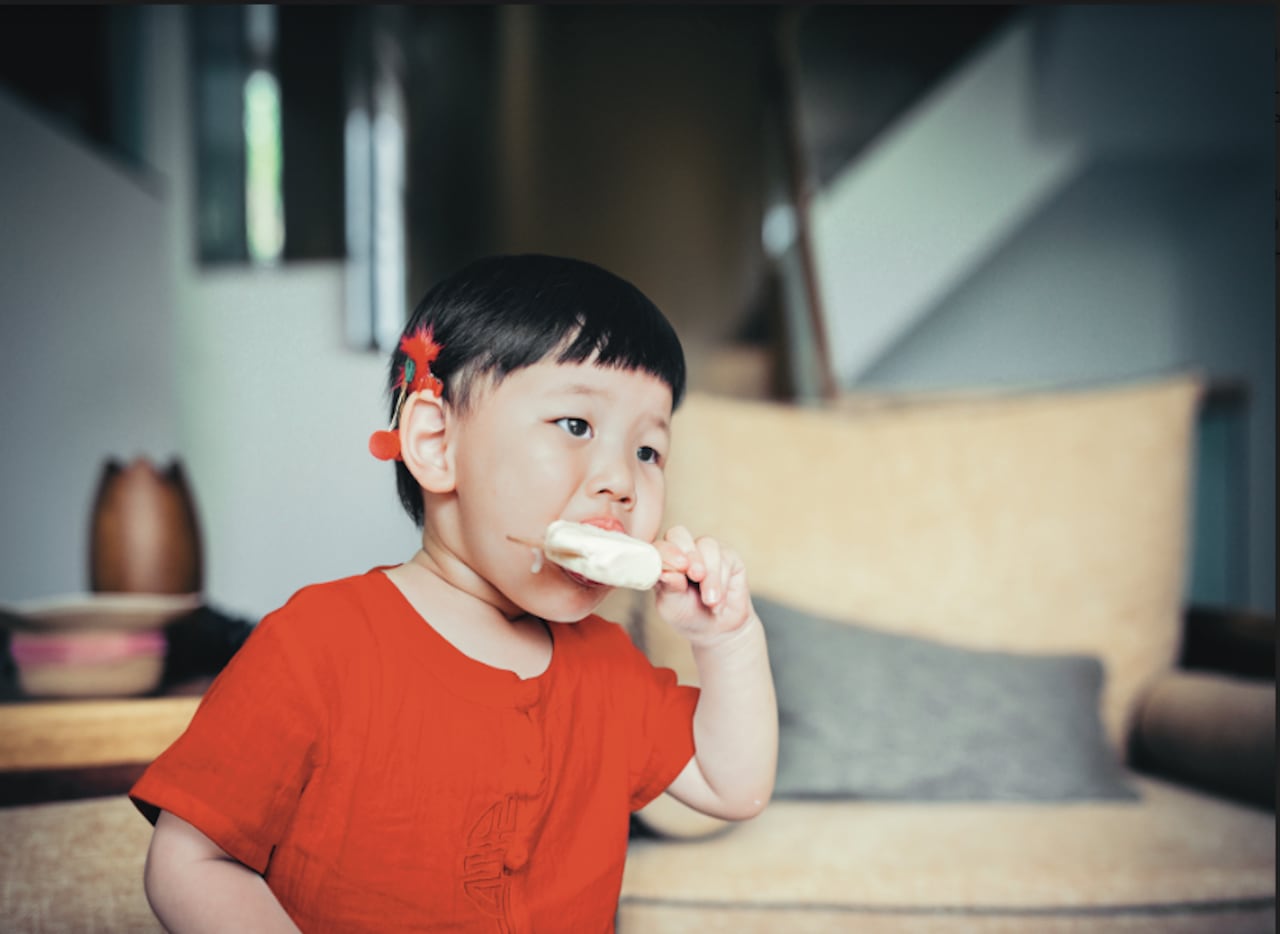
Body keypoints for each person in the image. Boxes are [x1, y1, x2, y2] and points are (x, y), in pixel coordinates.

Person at [131, 254, 778, 932]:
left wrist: (727, 639)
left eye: (648, 451)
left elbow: (733, 783)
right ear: (437, 443)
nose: (621, 480)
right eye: (576, 426)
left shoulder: (607, 667)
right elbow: (189, 861)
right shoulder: (318, 644)